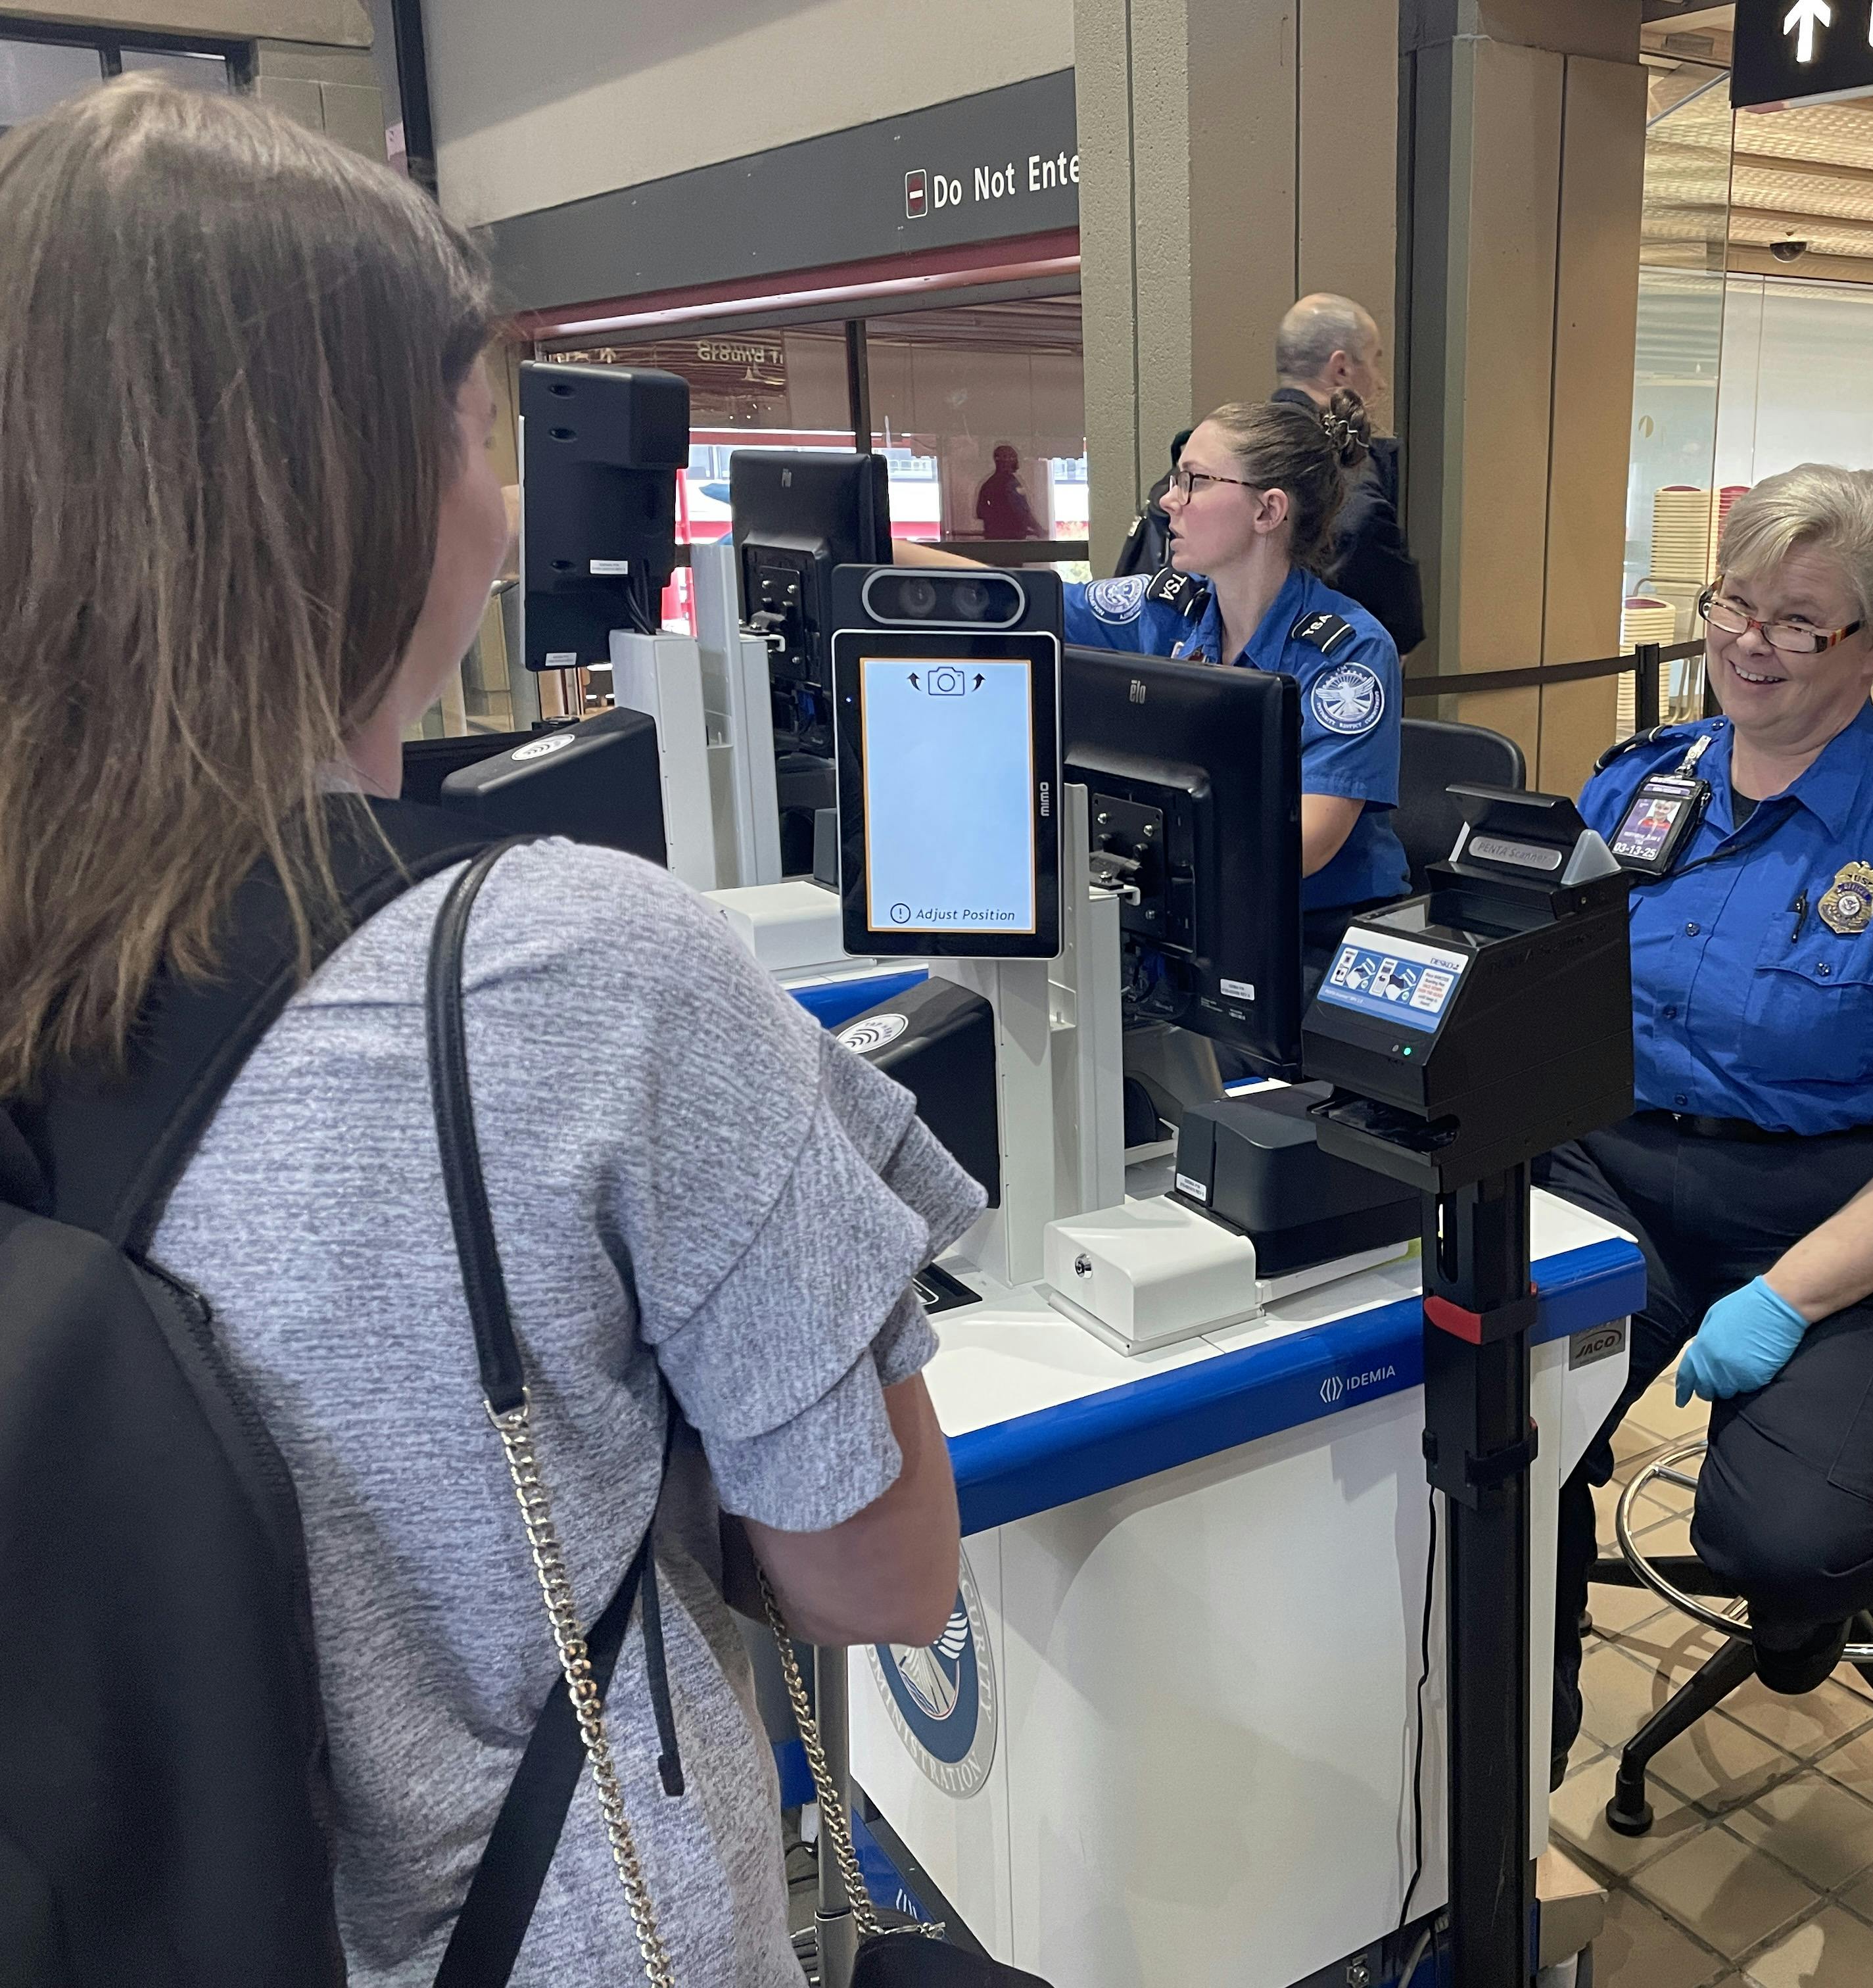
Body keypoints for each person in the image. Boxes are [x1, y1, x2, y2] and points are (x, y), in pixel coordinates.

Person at [0, 82, 970, 1984]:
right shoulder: (572, 976)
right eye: (476, 427)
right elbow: (882, 1574)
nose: (505, 496)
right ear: (358, 486)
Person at [1544, 465, 1873, 1775]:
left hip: (1851, 1214)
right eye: (1733, 602)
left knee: (1782, 1539)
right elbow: (1545, 987)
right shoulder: (1640, 787)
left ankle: (1817, 1583)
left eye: (1795, 622)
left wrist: (1783, 1298)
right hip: (1621, 1178)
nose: (1744, 642)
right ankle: (1515, 1744)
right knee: (1491, 1443)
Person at [1066, 393, 1410, 943]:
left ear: (1268, 511)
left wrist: (1140, 853)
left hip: (1316, 934)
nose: (1168, 503)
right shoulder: (1170, 606)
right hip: (1193, 909)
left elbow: (1306, 845)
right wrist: (889, 559)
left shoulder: (1348, 650)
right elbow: (1017, 604)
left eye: (1195, 481)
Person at [1115, 293, 1426, 654]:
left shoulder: (1230, 450)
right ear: (1341, 368)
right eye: (1375, 361)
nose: (1172, 501)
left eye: (1194, 482)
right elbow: (1400, 628)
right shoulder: (1344, 484)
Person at [974, 440, 1041, 540]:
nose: (1017, 461)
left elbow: (980, 512)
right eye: (1012, 457)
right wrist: (1040, 530)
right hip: (1013, 540)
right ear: (1004, 460)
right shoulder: (1010, 484)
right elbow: (1022, 512)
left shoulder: (989, 484)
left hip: (994, 540)